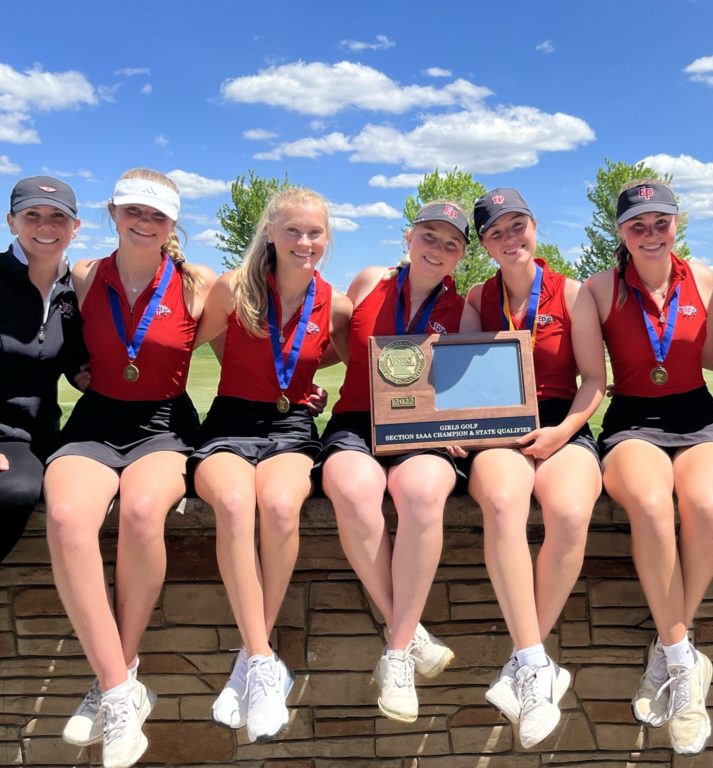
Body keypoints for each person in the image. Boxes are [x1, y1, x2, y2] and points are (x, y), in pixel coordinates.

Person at [44, 168, 216, 768]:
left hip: (165, 424)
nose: (145, 223)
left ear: (174, 224)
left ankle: (116, 676)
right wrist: (73, 372)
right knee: (66, 517)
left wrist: (300, 394)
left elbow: (254, 349)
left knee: (144, 512)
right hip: (96, 420)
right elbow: (62, 342)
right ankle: (121, 690)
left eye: (159, 216)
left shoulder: (198, 283)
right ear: (113, 212)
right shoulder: (86, 274)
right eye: (133, 211)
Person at [583, 180, 713, 756]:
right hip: (630, 419)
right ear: (619, 233)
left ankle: (667, 649)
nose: (650, 234)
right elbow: (581, 370)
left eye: (660, 222)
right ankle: (685, 668)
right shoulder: (598, 288)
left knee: (702, 505)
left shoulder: (702, 277)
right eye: (636, 225)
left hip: (698, 415)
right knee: (650, 504)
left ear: (678, 223)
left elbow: (711, 352)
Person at [190, 187, 349, 742]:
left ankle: (249, 663)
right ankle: (262, 660)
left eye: (315, 232)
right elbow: (178, 344)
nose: (305, 242)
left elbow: (367, 367)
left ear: (327, 238)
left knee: (280, 506)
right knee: (235, 503)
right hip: (229, 424)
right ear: (270, 234)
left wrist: (304, 388)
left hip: (291, 429)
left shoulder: (337, 302)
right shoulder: (235, 289)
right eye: (293, 231)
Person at [318, 201, 474, 723]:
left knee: (423, 493)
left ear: (461, 256)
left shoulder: (465, 308)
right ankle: (410, 635)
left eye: (451, 243)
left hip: (423, 431)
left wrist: (460, 426)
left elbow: (469, 381)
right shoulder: (366, 281)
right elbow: (327, 345)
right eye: (429, 235)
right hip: (357, 421)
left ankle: (395, 656)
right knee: (355, 490)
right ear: (409, 238)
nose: (438, 248)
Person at [465, 188, 605, 749]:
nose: (510, 237)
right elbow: (466, 381)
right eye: (496, 232)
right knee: (502, 501)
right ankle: (535, 664)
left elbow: (594, 380)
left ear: (534, 226)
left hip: (562, 423)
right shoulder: (478, 297)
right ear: (485, 245)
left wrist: (560, 434)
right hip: (498, 427)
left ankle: (525, 663)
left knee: (570, 511)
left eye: (517, 224)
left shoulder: (573, 293)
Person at [1, 177, 87, 563]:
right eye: (32, 215)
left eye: (58, 216)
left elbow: (76, 363)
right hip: (4, 435)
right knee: (15, 490)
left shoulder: (77, 290)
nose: (46, 226)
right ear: (11, 222)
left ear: (75, 227)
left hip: (43, 437)